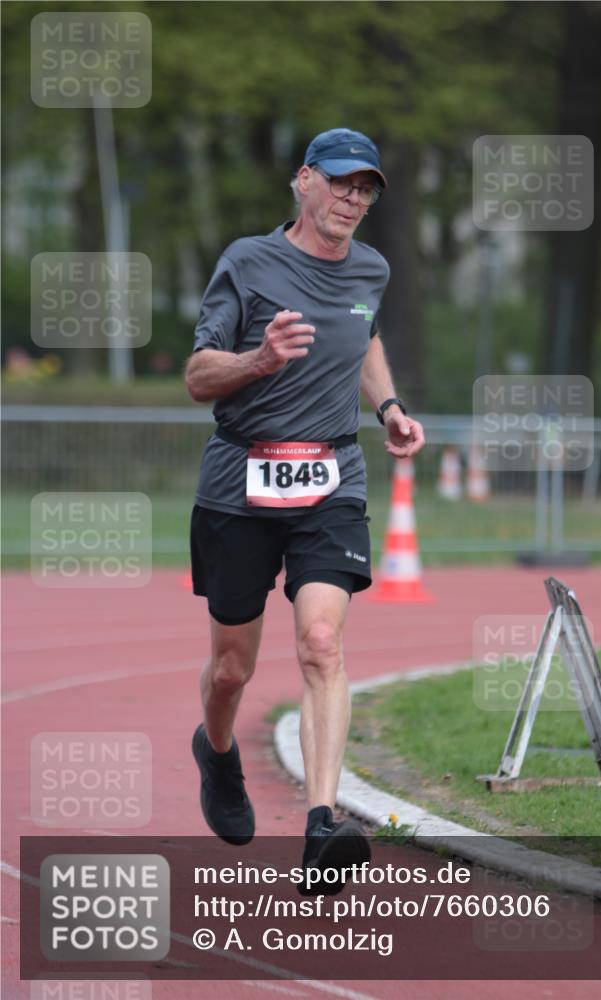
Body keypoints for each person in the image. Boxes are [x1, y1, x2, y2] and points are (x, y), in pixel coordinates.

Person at [185, 127, 425, 892]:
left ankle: (322, 823)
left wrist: (386, 405)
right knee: (231, 668)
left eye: (366, 189)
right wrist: (260, 359)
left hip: (332, 475)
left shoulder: (371, 268)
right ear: (304, 181)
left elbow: (365, 329)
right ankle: (216, 753)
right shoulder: (248, 262)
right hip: (240, 483)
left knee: (321, 642)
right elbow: (196, 375)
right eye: (342, 183)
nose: (353, 199)